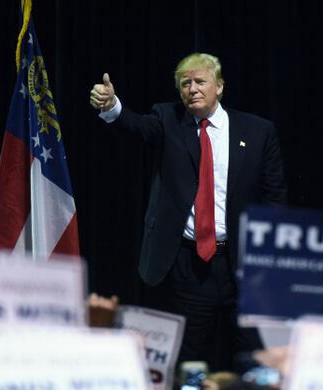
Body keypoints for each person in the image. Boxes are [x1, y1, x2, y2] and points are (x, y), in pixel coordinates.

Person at [89, 53, 287, 370]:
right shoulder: (168, 120)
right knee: (188, 356)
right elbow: (138, 126)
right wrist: (112, 106)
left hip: (245, 267)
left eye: (200, 81)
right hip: (190, 267)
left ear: (219, 87)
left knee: (254, 356)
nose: (192, 88)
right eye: (185, 83)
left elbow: (275, 197)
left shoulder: (258, 132)